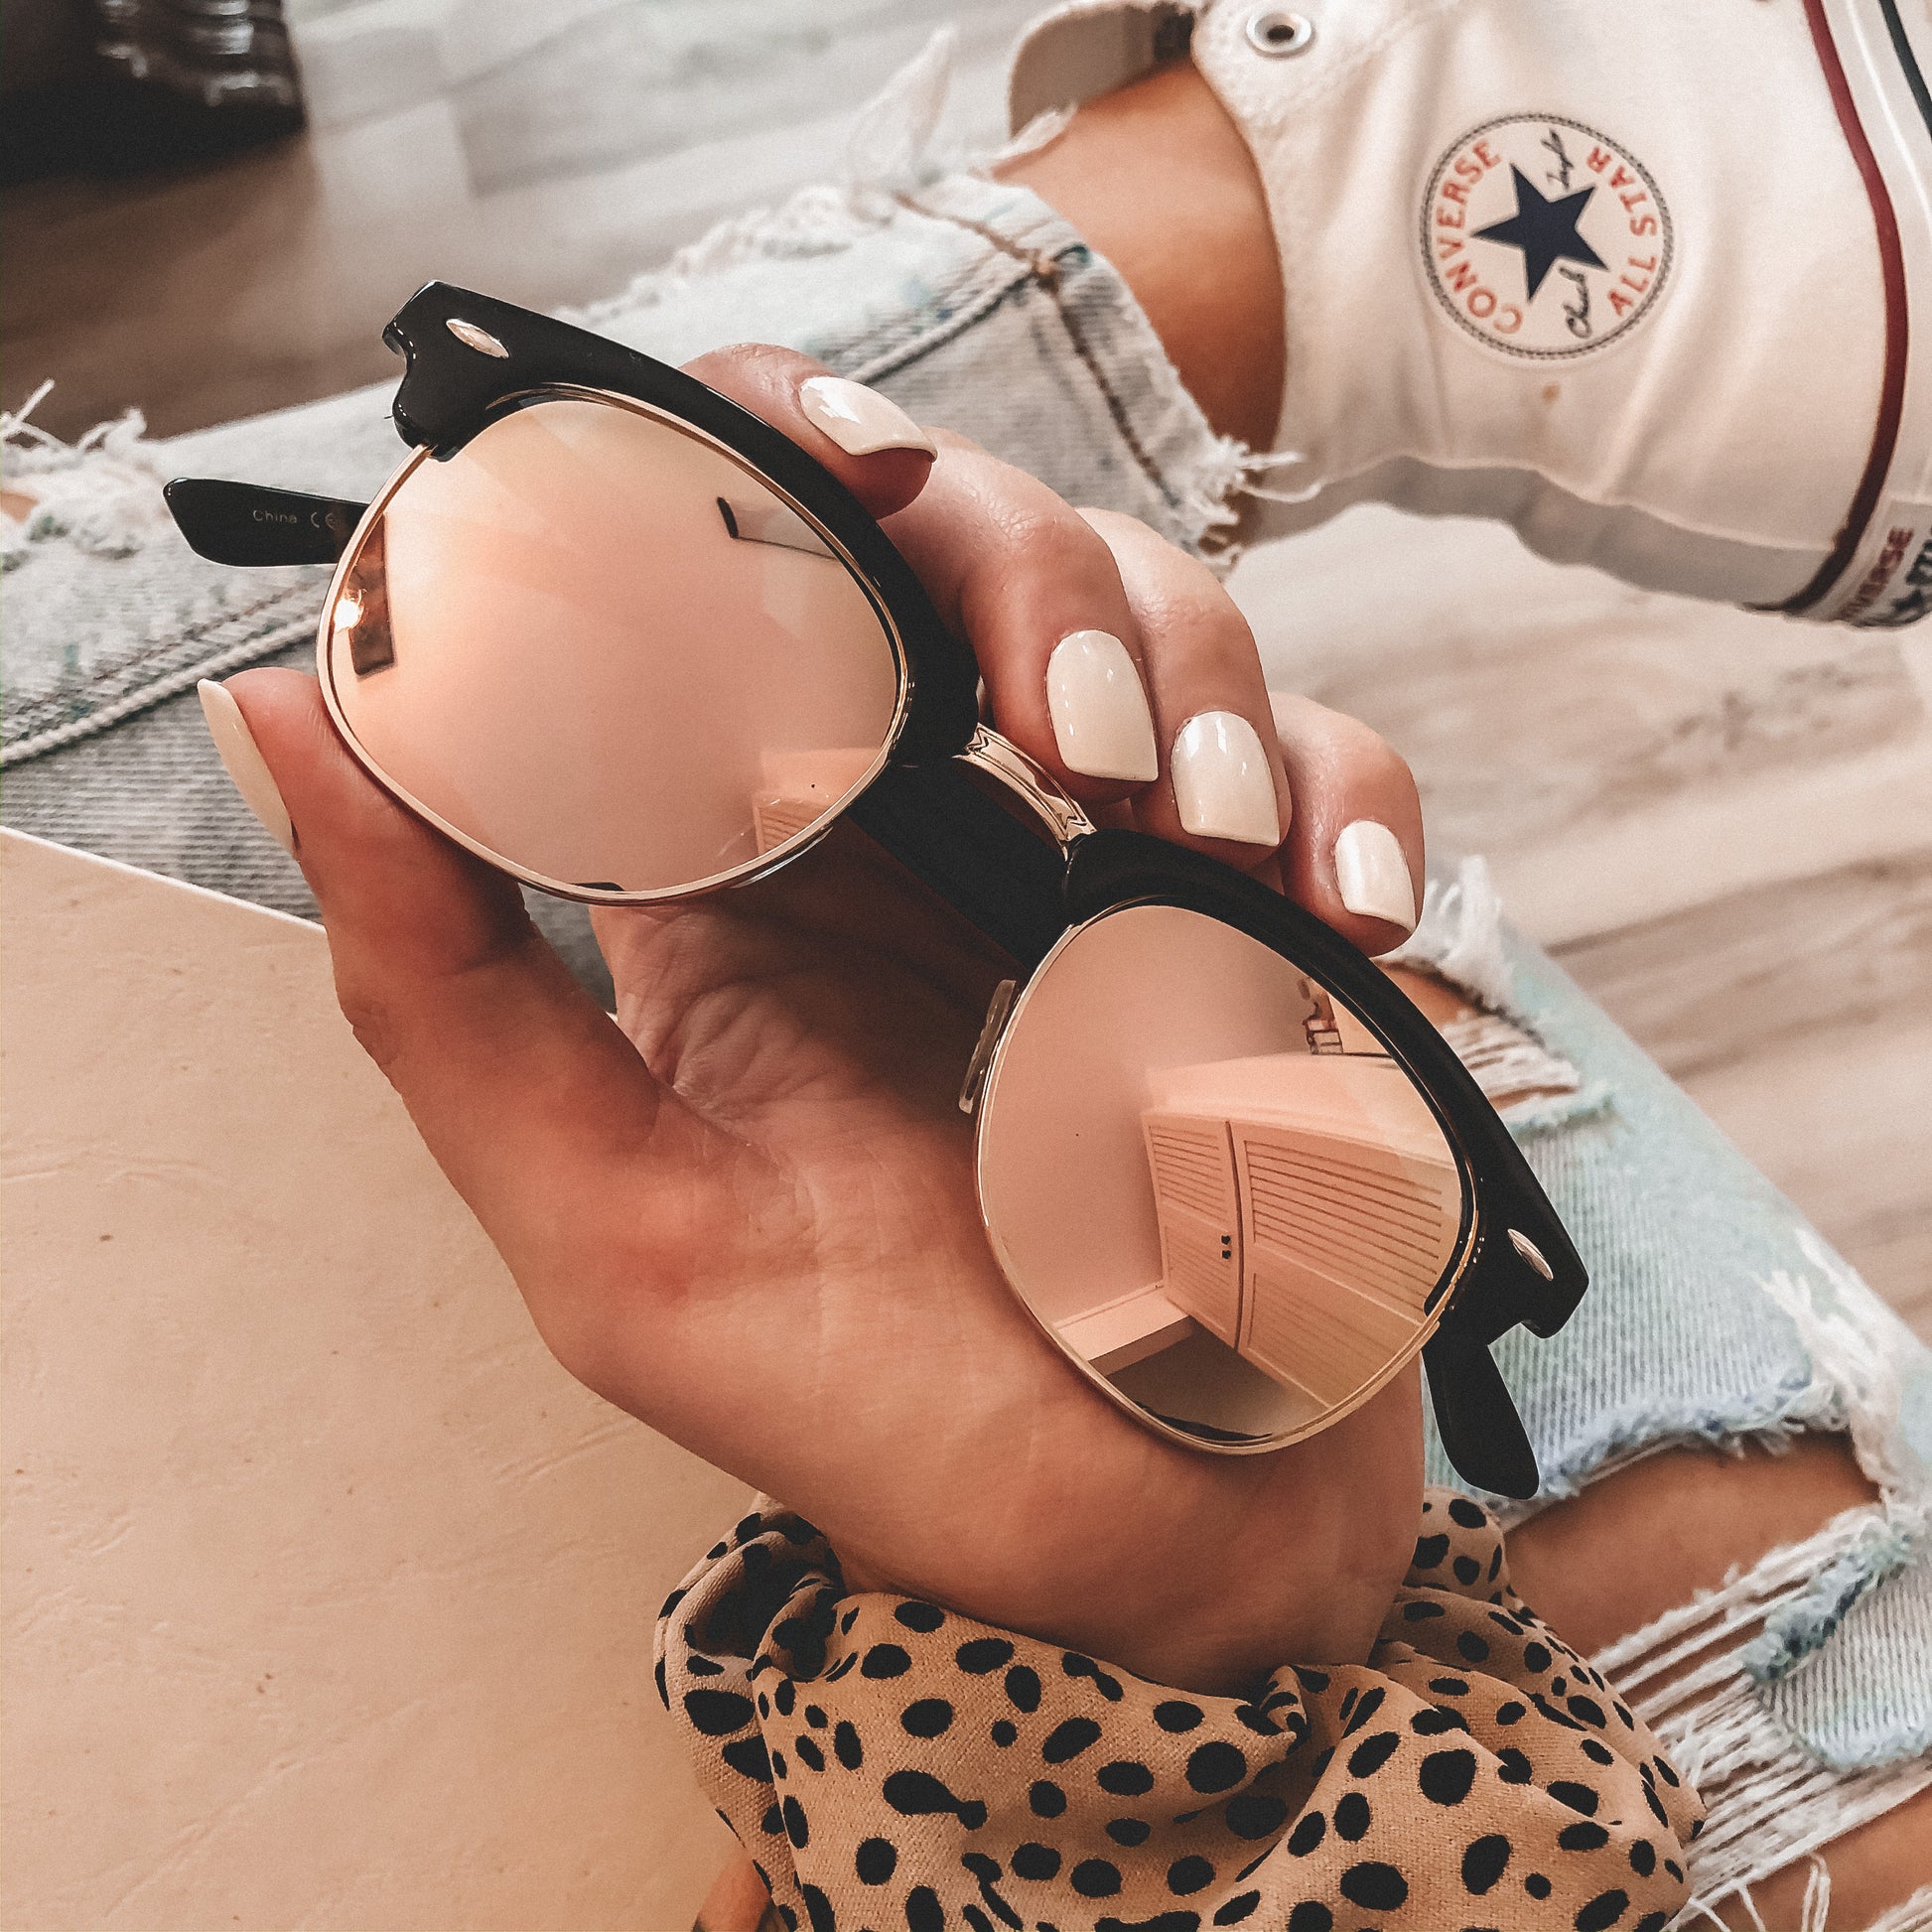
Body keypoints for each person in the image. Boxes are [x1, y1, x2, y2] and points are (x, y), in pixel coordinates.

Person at [3, 3, 1928, 1924]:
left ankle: (1256, 248)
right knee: (1266, 996)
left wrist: (1126, 1698)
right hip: (1647, 1746)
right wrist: (1204, 1632)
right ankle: (1274, 248)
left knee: (677, 612)